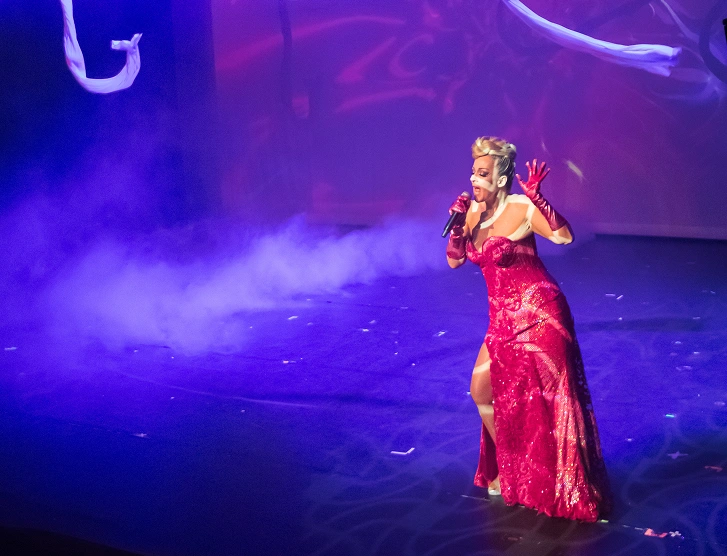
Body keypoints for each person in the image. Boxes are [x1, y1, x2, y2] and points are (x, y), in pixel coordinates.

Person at [446, 137, 610, 522]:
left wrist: (539, 199)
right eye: (473, 172)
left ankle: (551, 479)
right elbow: (455, 262)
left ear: (501, 179)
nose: (475, 179)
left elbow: (564, 237)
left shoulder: (521, 208)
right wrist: (456, 225)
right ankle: (516, 465)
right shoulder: (472, 214)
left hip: (540, 316)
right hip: (501, 320)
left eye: (483, 174)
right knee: (481, 391)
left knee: (549, 402)